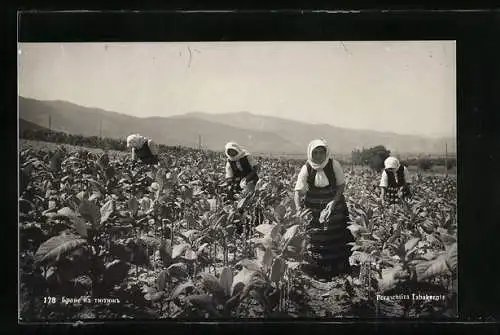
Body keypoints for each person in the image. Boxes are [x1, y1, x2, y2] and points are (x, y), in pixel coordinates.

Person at [294, 139, 353, 279]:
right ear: (310, 153)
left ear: (326, 153)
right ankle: (318, 266)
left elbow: (341, 185)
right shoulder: (307, 167)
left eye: (322, 152)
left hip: (333, 202)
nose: (319, 156)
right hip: (313, 205)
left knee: (335, 232)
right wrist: (298, 210)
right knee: (316, 234)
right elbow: (298, 191)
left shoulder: (333, 164)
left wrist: (333, 202)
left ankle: (337, 267)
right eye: (315, 152)